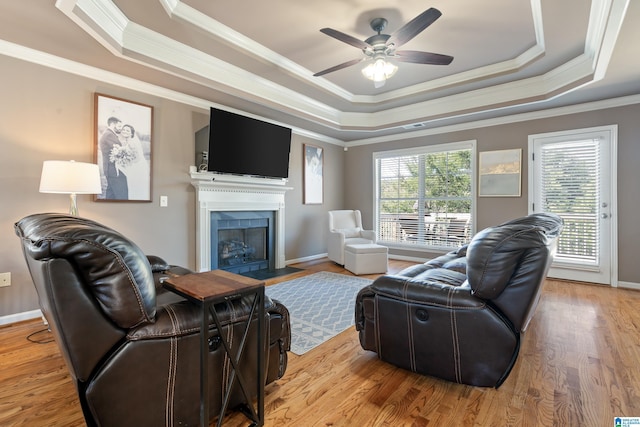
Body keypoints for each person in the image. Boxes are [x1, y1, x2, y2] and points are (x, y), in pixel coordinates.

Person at [98, 116, 128, 199]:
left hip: (110, 169)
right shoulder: (109, 135)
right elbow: (119, 150)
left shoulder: (109, 134)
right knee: (121, 195)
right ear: (112, 124)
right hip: (113, 170)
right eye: (119, 126)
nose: (120, 129)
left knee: (111, 195)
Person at [118, 124, 150, 200]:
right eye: (124, 129)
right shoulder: (126, 142)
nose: (125, 131)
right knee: (132, 187)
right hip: (133, 167)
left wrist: (126, 162)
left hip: (137, 168)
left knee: (135, 187)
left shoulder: (132, 143)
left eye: (127, 130)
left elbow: (138, 158)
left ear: (131, 133)